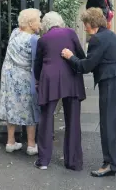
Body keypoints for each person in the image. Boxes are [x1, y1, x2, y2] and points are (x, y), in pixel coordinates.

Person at [61, 7, 116, 178]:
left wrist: (70, 56)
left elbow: (86, 66)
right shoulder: (112, 35)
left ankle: (109, 164)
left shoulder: (97, 40)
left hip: (110, 82)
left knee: (108, 122)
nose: (84, 27)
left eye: (85, 23)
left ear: (90, 23)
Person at [34, 11, 86, 171]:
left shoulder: (43, 40)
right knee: (73, 120)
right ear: (60, 22)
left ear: (46, 25)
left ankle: (43, 160)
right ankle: (73, 162)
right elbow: (81, 54)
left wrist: (38, 80)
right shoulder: (70, 32)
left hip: (50, 80)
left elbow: (37, 64)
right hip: (71, 78)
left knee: (46, 118)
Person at [0, 8, 41, 156]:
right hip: (25, 78)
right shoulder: (35, 40)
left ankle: (10, 142)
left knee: (12, 105)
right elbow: (36, 62)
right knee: (30, 108)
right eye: (38, 20)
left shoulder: (15, 33)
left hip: (10, 76)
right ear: (30, 23)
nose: (40, 23)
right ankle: (31, 144)